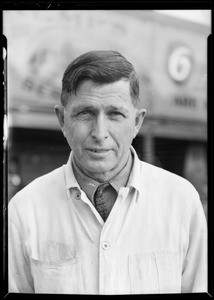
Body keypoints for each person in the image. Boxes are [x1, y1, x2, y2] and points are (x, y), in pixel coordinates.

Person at [8, 50, 207, 294]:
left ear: (136, 122)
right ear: (62, 119)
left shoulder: (182, 202)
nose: (100, 133)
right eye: (85, 113)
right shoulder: (25, 210)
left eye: (115, 114)